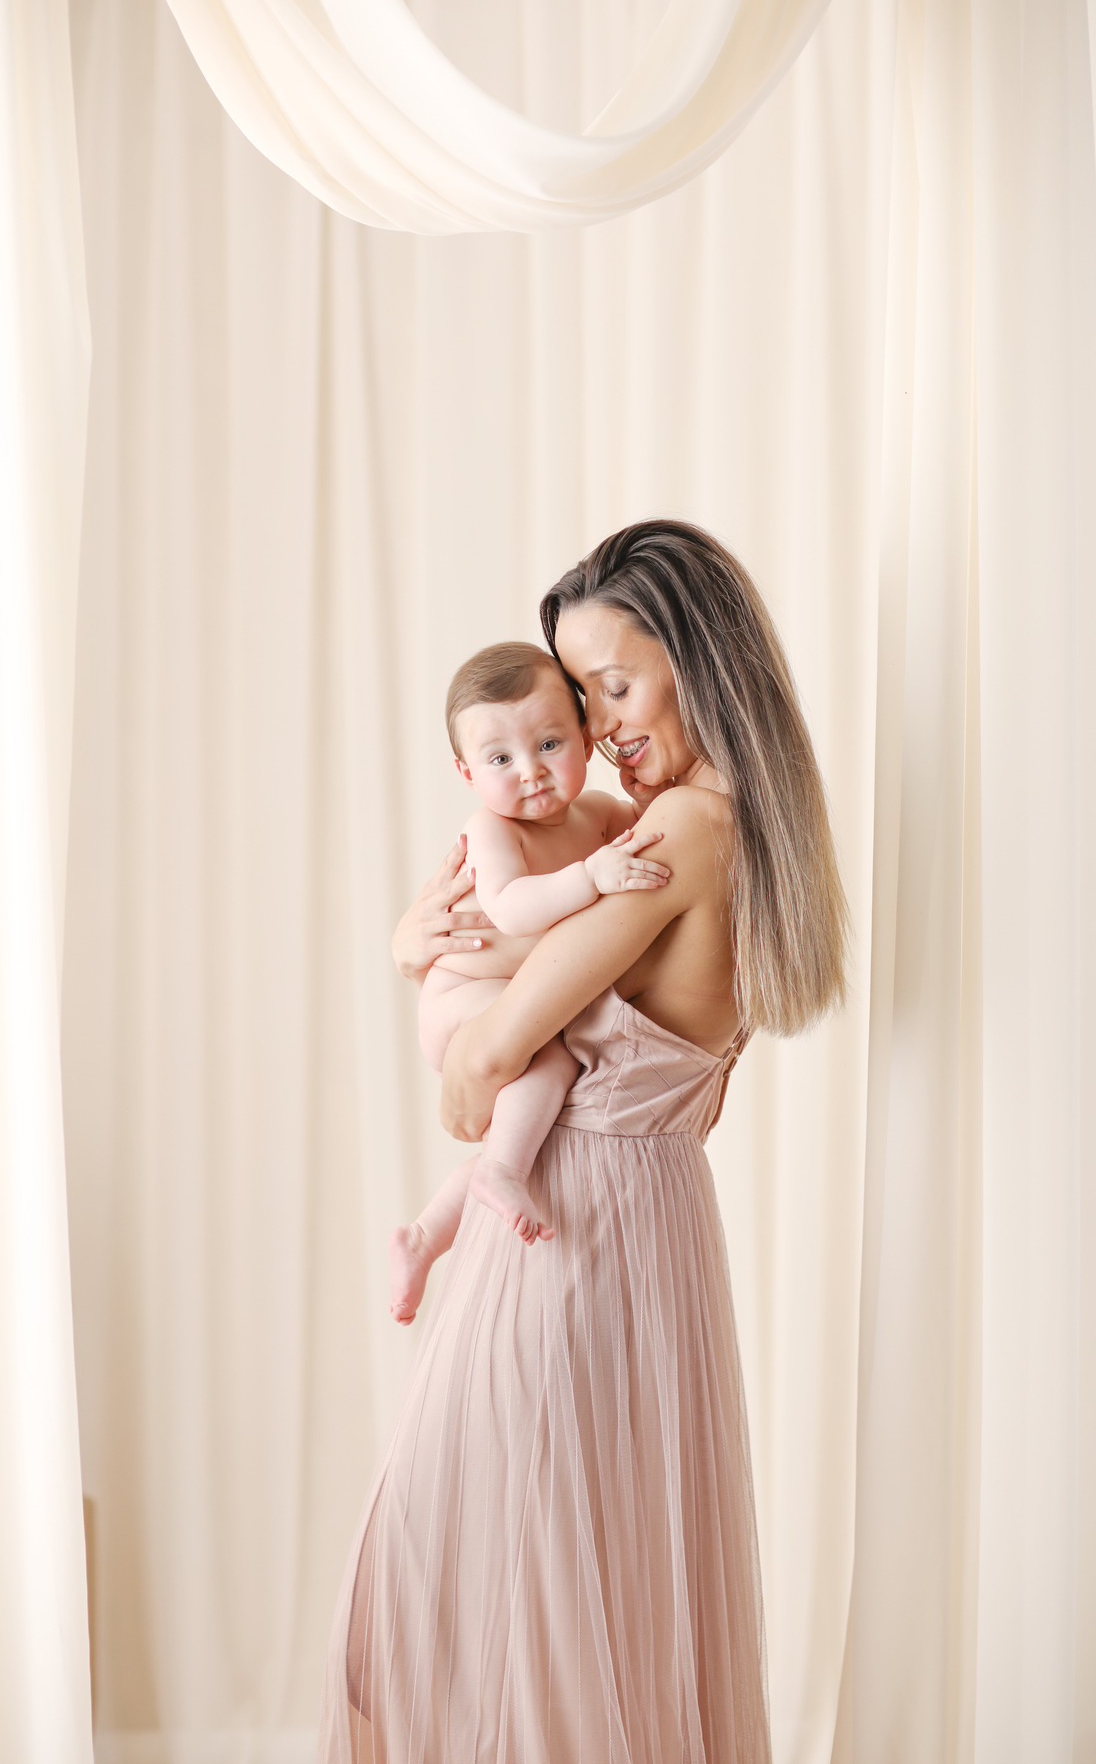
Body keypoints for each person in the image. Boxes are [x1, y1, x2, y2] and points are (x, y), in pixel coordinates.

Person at [319, 519, 848, 1764]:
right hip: (637, 1218)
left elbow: (485, 1064)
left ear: (699, 662)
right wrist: (440, 963)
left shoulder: (678, 834)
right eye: (582, 695)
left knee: (499, 1558)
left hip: (575, 1225)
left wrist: (428, 976)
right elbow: (532, 989)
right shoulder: (697, 823)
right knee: (593, 1576)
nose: (600, 726)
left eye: (614, 687)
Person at [389, 639, 671, 1325]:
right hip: (459, 1001)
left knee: (537, 1117)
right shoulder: (490, 830)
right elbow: (510, 906)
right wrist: (591, 877)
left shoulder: (600, 814)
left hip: (504, 999)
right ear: (466, 773)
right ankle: (498, 1175)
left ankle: (425, 1236)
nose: (531, 773)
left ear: (584, 734)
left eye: (549, 744)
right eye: (500, 760)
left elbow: (653, 836)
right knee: (550, 1056)